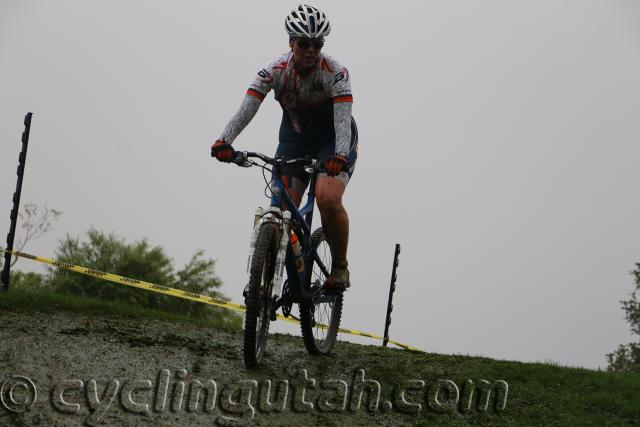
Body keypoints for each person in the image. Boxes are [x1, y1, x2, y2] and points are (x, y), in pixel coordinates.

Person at [211, 4, 358, 292]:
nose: (311, 50)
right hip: (295, 138)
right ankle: (261, 287)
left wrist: (339, 155)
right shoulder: (274, 70)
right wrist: (224, 141)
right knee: (277, 211)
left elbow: (343, 119)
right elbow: (248, 108)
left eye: (317, 44)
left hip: (333, 140)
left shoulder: (336, 73)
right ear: (291, 42)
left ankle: (339, 267)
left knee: (326, 198)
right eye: (304, 43)